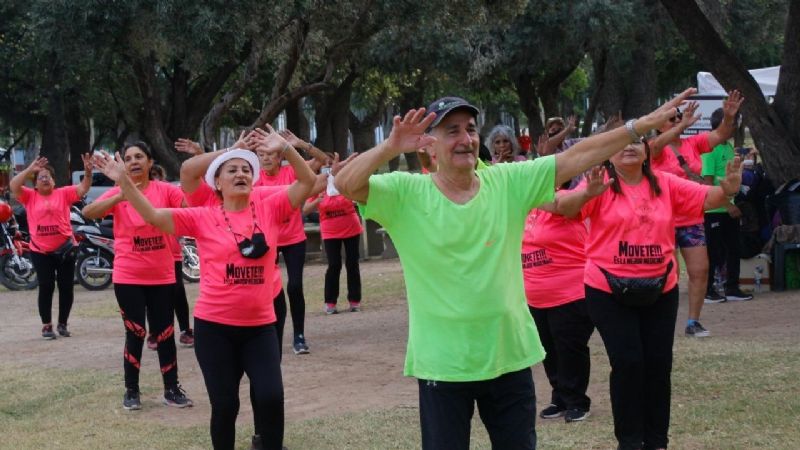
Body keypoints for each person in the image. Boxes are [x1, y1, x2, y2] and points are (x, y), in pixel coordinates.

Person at [334, 90, 696, 450]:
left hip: (508, 358)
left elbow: (577, 157)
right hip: (442, 364)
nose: (466, 139)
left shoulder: (507, 182)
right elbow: (347, 184)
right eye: (452, 131)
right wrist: (389, 147)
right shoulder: (405, 193)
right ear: (428, 147)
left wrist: (641, 126)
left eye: (471, 129)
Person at [96, 127, 314, 450]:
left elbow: (307, 182)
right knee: (226, 406)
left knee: (271, 396)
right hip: (215, 330)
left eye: (246, 170)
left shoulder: (270, 207)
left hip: (260, 328)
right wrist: (125, 182)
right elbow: (155, 215)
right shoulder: (202, 216)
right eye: (232, 170)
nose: (241, 173)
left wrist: (287, 148)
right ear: (218, 183)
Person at [552, 136, 742, 450]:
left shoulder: (667, 184)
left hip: (660, 289)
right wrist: (587, 191)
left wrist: (729, 189)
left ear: (647, 151)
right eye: (620, 142)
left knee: (657, 365)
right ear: (606, 153)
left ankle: (656, 442)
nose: (628, 146)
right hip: (607, 290)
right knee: (628, 363)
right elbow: (565, 208)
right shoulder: (599, 184)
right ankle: (629, 442)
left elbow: (711, 197)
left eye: (636, 142)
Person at [83, 142, 192, 411]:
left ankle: (172, 388)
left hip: (162, 275)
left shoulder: (165, 190)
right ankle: (131, 391)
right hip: (128, 276)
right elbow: (88, 212)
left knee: (165, 333)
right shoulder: (117, 193)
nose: (133, 162)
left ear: (149, 162)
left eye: (139, 157)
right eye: (129, 158)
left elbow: (190, 206)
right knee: (135, 332)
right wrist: (121, 195)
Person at [650, 90, 744, 337]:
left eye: (677, 117)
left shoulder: (692, 144)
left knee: (700, 270)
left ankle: (693, 322)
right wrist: (679, 126)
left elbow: (721, 134)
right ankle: (657, 322)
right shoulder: (653, 148)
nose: (677, 120)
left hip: (691, 217)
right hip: (663, 219)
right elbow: (658, 145)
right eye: (671, 119)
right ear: (658, 126)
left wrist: (728, 117)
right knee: (661, 275)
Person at [522, 186, 594, 423]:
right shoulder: (525, 207)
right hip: (535, 295)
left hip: (569, 292)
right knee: (548, 349)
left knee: (570, 348)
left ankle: (577, 401)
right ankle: (559, 397)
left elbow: (566, 206)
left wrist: (531, 192)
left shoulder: (564, 200)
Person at [252, 129, 328, 355]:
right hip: (268, 240)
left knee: (294, 286)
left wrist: (300, 144)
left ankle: (299, 335)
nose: (265, 158)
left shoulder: (291, 173)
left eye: (270, 154)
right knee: (269, 290)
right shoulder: (254, 178)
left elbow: (326, 161)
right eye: (260, 154)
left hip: (294, 238)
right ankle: (271, 336)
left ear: (280, 156)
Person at [10, 154, 93, 338]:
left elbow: (83, 188)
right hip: (41, 251)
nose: (45, 179)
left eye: (48, 176)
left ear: (54, 181)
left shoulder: (63, 193)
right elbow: (14, 185)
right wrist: (29, 170)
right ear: (36, 184)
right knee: (46, 286)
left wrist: (88, 172)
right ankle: (47, 325)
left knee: (66, 287)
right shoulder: (29, 196)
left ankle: (63, 324)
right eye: (41, 177)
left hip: (65, 249)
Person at [702, 109, 753, 303]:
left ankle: (731, 288)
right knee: (713, 252)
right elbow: (706, 184)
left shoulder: (729, 148)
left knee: (733, 249)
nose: (735, 128)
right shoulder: (709, 149)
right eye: (732, 123)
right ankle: (707, 290)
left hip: (729, 209)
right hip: (713, 211)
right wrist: (726, 204)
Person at [302, 153, 363, 315]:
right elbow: (305, 209)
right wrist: (317, 200)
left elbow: (358, 194)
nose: (330, 166)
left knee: (352, 263)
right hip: (330, 231)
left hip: (351, 227)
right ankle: (330, 302)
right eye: (326, 164)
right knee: (334, 265)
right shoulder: (319, 184)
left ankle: (354, 301)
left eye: (332, 163)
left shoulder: (344, 181)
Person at [147, 162, 195, 348]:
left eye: (158, 174)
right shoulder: (135, 192)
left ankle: (185, 330)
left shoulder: (166, 191)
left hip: (171, 252)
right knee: (152, 296)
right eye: (153, 175)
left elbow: (186, 207)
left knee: (177, 292)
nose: (155, 178)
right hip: (149, 255)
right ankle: (154, 332)